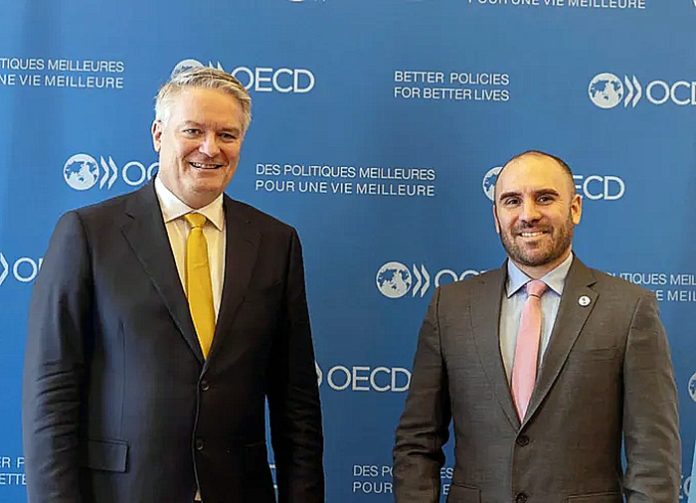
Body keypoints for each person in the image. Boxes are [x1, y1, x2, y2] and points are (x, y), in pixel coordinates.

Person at [22, 67, 324, 503]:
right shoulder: (89, 234)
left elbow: (297, 403)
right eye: (193, 131)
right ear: (158, 134)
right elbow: (52, 392)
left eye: (227, 134)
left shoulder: (276, 243)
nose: (210, 148)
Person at [393, 150, 680, 502]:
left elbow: (653, 457)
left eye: (544, 198)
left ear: (575, 208)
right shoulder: (450, 307)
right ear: (496, 217)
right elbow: (416, 443)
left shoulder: (630, 309)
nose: (528, 214)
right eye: (512, 201)